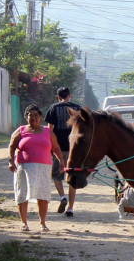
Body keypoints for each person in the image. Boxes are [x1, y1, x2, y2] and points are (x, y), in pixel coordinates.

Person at [8, 105, 65, 232]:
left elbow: (55, 147)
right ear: (26, 117)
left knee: (42, 195)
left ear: (40, 118)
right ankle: (24, 223)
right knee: (22, 194)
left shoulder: (47, 132)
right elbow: (12, 146)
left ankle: (42, 223)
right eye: (30, 115)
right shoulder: (21, 130)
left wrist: (61, 160)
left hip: (43, 168)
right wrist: (11, 161)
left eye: (36, 115)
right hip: (24, 167)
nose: (33, 118)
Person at [44, 87, 81, 217]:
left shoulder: (54, 107)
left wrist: (50, 147)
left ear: (58, 97)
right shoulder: (77, 108)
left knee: (56, 175)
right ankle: (70, 208)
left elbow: (50, 130)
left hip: (58, 147)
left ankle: (62, 197)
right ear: (69, 96)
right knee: (72, 177)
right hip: (74, 149)